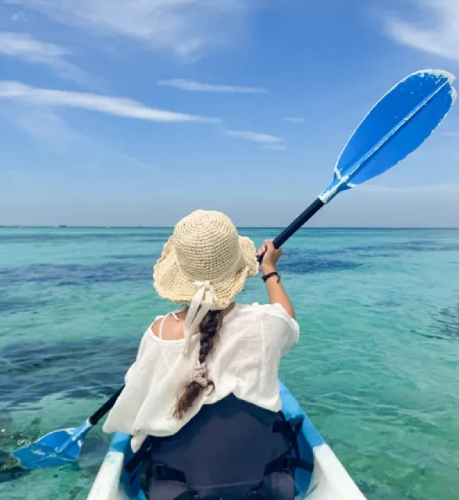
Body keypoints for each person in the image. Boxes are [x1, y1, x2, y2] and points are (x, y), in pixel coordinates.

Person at [102, 209, 310, 500]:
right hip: (261, 485)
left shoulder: (160, 332)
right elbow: (287, 319)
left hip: (178, 489)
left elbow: (135, 406)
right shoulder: (266, 325)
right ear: (238, 269)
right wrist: (269, 270)